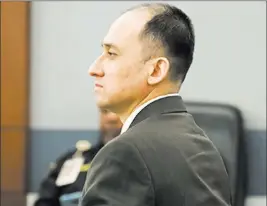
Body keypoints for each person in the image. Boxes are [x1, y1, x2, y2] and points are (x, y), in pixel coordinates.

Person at [80, 2, 232, 206]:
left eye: (111, 53)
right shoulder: (204, 149)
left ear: (156, 71)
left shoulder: (126, 152)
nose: (94, 68)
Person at [34, 109, 122, 206]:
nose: (111, 118)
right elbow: (45, 200)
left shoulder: (137, 160)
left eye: (117, 112)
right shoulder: (74, 160)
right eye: (105, 111)